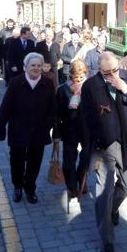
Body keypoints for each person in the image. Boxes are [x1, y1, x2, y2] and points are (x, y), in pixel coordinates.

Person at [80, 52, 127, 252]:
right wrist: (88, 148)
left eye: (114, 71)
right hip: (104, 145)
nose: (111, 75)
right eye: (106, 73)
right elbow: (86, 120)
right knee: (104, 190)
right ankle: (107, 240)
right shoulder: (91, 86)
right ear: (98, 70)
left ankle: (113, 208)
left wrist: (124, 88)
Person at [0, 52, 56, 204]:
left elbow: (52, 108)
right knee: (17, 161)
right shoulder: (16, 83)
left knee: (35, 162)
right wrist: (0, 129)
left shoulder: (47, 84)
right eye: (33, 65)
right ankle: (17, 187)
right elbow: (5, 107)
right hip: (18, 129)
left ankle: (30, 189)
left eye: (39, 66)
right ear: (25, 67)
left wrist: (49, 125)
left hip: (38, 131)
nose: (36, 68)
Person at [53, 59, 90, 200]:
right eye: (76, 77)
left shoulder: (89, 87)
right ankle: (71, 186)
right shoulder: (62, 89)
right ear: (70, 75)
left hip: (86, 129)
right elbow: (56, 114)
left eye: (81, 77)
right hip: (69, 129)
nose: (78, 80)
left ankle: (81, 179)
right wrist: (56, 134)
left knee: (86, 158)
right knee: (69, 160)